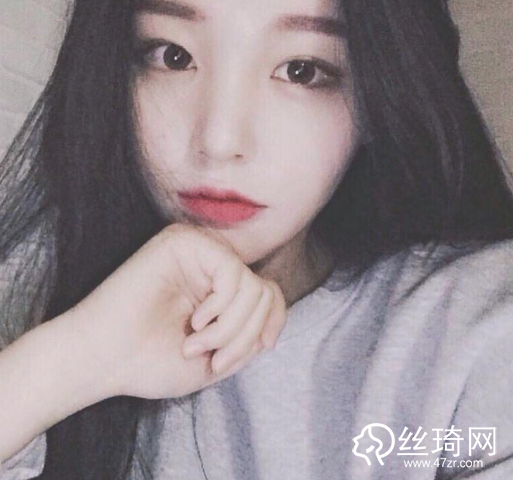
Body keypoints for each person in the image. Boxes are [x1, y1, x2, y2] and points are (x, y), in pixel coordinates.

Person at [0, 0, 512, 478]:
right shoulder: (30, 289)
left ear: (380, 92)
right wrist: (75, 361)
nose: (219, 141)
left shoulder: (476, 331)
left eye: (301, 70)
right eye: (174, 56)